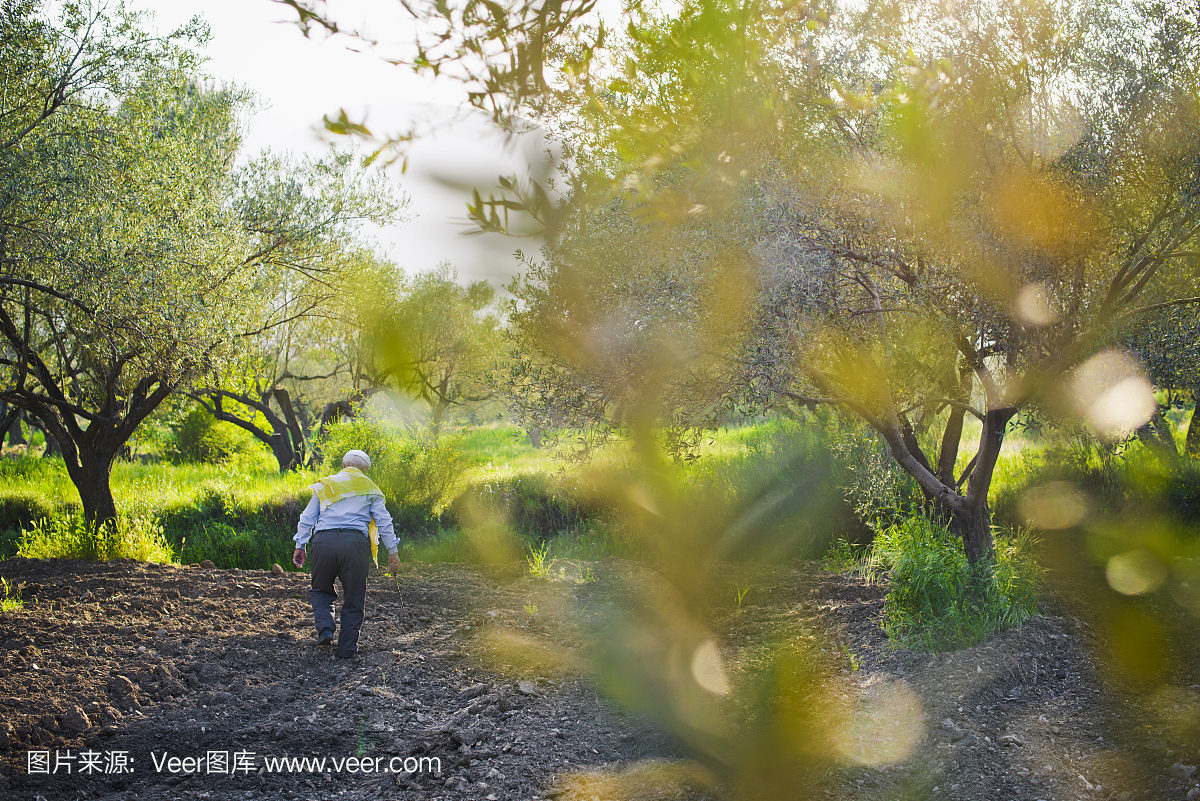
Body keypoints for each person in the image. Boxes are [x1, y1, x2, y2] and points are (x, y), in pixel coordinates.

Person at [293, 449, 401, 659]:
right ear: (365, 470)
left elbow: (307, 517)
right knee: (353, 596)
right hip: (355, 545)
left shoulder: (327, 484)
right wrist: (392, 551)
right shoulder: (371, 488)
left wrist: (301, 545)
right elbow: (384, 522)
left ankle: (325, 629)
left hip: (324, 542)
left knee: (320, 590)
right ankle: (347, 649)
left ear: (343, 465)